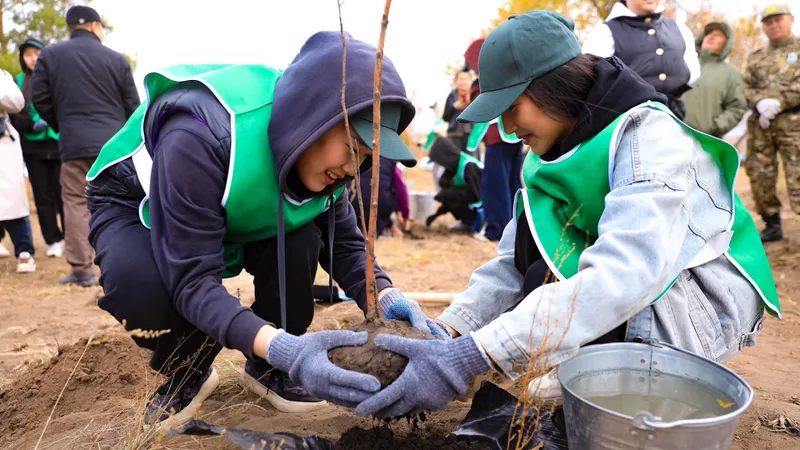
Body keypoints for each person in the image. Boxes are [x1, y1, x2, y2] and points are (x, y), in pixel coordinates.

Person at [352, 11, 779, 420]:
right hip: (638, 285)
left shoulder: (647, 138)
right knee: (531, 249)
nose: (504, 127)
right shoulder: (548, 154)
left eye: (511, 108)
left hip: (694, 301)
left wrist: (472, 358)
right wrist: (451, 333)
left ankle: (616, 368)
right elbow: (507, 266)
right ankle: (589, 357)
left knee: (618, 287)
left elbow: (628, 272)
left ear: (553, 87)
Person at [85, 32, 446, 431]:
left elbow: (345, 246)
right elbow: (191, 278)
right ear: (318, 118)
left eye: (365, 158)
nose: (351, 169)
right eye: (351, 147)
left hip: (238, 206)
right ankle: (189, 366)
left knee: (303, 237)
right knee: (141, 286)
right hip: (138, 202)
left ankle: (266, 369)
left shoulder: (324, 161)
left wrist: (385, 293)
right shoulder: (202, 133)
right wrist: (285, 349)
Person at [31, 5, 140, 286]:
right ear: (94, 26)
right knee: (122, 203)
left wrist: (63, 126)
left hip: (74, 145)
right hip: (115, 147)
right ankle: (127, 267)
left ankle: (82, 271)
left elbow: (39, 98)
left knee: (77, 202)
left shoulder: (51, 56)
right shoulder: (116, 59)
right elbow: (133, 106)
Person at [583, 0, 700, 119]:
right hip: (629, 119)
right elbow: (591, 80)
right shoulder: (604, 32)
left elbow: (693, 71)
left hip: (676, 115)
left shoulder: (679, 28)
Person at [743, 4, 800, 243]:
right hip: (762, 126)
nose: (773, 25)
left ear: (791, 19)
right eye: (768, 22)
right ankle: (772, 224)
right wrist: (759, 103)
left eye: (778, 20)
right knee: (760, 174)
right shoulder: (756, 56)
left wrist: (780, 103)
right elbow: (744, 87)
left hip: (794, 124)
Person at [463, 38, 524, 242]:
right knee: (512, 184)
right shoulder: (511, 74)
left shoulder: (487, 80)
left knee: (495, 185)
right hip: (516, 135)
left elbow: (480, 105)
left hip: (497, 136)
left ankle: (497, 231)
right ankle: (515, 229)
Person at [10, 38, 64, 258]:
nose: (33, 58)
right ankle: (53, 240)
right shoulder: (19, 81)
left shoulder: (57, 76)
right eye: (28, 54)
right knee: (42, 196)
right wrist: (30, 124)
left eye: (37, 53)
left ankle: (73, 236)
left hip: (59, 143)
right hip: (33, 147)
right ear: (23, 58)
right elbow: (14, 116)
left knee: (63, 194)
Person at [682, 22, 747, 138]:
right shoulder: (684, 64)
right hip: (672, 136)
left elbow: (737, 107)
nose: (711, 37)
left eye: (718, 35)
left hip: (706, 142)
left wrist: (715, 127)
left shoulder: (731, 74)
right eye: (708, 34)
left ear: (727, 43)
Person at [0, 68, 36, 273]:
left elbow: (17, 103)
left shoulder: (2, 76)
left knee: (13, 201)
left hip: (3, 144)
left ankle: (24, 252)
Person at [424, 137, 484, 234]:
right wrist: (437, 214)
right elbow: (453, 196)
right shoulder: (455, 167)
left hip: (484, 209)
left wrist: (447, 194)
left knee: (448, 194)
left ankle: (475, 225)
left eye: (439, 161)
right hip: (473, 206)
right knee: (447, 191)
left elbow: (475, 195)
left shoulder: (469, 166)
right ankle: (466, 222)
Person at [441, 70, 475, 154]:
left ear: (470, 80)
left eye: (465, 79)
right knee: (453, 161)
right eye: (460, 79)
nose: (463, 81)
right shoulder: (451, 96)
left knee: (471, 162)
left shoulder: (475, 95)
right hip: (454, 134)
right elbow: (445, 117)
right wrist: (454, 107)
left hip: (472, 135)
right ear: (456, 81)